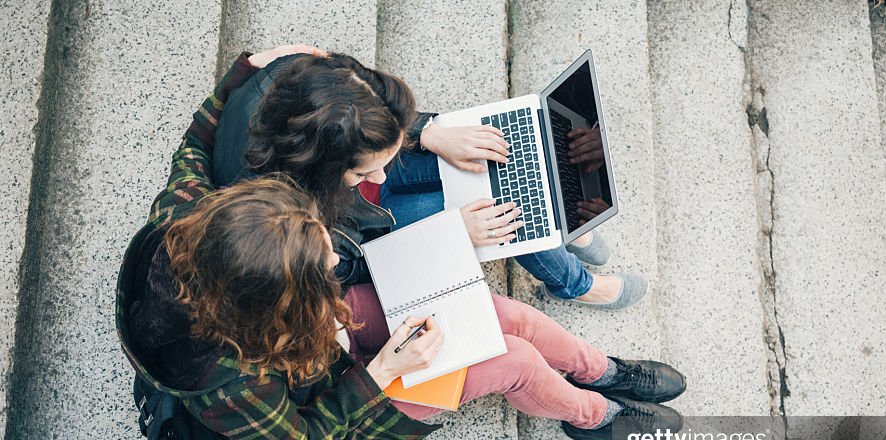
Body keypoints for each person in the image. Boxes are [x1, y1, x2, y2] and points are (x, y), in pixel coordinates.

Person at [117, 46, 686, 440]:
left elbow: (195, 140)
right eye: (322, 266)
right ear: (278, 298)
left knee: (502, 314)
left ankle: (603, 371)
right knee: (509, 360)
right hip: (340, 413)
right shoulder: (230, 380)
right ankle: (593, 417)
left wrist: (247, 68)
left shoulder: (186, 215)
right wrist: (382, 371)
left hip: (323, 340)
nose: (335, 259)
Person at [211, 51, 647, 310]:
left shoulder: (297, 78)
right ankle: (575, 283)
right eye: (363, 170)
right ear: (322, 166)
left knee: (501, 157)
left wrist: (427, 132)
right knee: (505, 214)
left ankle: (561, 219)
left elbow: (363, 101)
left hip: (356, 202)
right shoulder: (286, 223)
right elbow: (358, 272)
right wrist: (449, 236)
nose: (378, 174)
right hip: (369, 235)